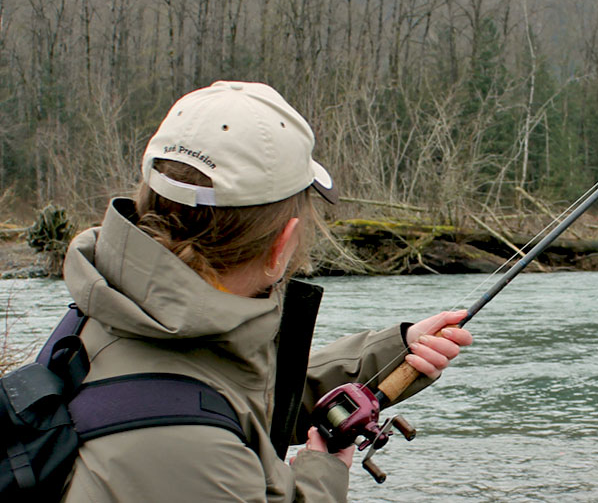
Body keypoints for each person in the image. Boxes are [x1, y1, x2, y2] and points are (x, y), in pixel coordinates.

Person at [59, 81, 473, 502]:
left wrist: (393, 353)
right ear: (283, 243)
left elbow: (222, 392)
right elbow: (200, 424)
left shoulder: (117, 305)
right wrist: (322, 478)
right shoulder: (192, 451)